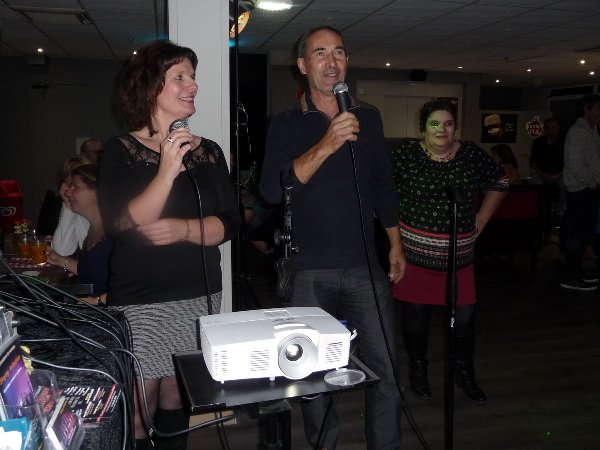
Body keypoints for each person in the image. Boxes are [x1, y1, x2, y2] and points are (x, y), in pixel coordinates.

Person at [259, 26, 404, 450]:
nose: (331, 61)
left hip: (364, 266)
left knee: (386, 371)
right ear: (303, 66)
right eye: (320, 53)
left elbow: (383, 186)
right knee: (314, 376)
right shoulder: (286, 123)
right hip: (309, 271)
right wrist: (328, 142)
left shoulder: (369, 118)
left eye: (338, 52)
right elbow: (272, 190)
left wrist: (395, 243)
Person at [98, 41, 240, 450]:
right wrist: (166, 170)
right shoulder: (120, 150)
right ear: (149, 86)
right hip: (141, 297)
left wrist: (183, 230)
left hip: (198, 292)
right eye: (180, 77)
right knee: (140, 407)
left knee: (180, 395)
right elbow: (122, 225)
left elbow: (231, 223)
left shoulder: (208, 152)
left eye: (193, 76)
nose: (192, 85)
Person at [390, 98, 507, 403]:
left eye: (448, 123)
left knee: (466, 318)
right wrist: (394, 240)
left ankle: (464, 372)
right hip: (416, 257)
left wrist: (481, 219)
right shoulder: (405, 155)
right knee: (416, 317)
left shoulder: (469, 153)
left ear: (456, 127)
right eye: (434, 123)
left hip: (460, 259)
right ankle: (418, 369)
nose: (441, 129)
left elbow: (500, 180)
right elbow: (380, 191)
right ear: (423, 128)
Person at [46, 164, 112, 305]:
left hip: (110, 313)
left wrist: (97, 301)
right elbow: (92, 270)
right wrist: (58, 259)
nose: (67, 193)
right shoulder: (94, 229)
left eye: (75, 187)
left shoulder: (116, 231)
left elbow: (136, 281)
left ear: (96, 192)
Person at [560, 94, 600, 291]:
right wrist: (592, 183)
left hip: (587, 190)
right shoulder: (579, 132)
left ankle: (575, 271)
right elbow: (576, 165)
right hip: (581, 191)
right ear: (587, 109)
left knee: (583, 234)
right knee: (578, 234)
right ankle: (570, 276)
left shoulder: (591, 131)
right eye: (598, 109)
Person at [50, 155, 91, 256]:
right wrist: (68, 206)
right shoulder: (73, 208)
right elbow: (62, 251)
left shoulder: (102, 208)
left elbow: (93, 253)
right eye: (71, 183)